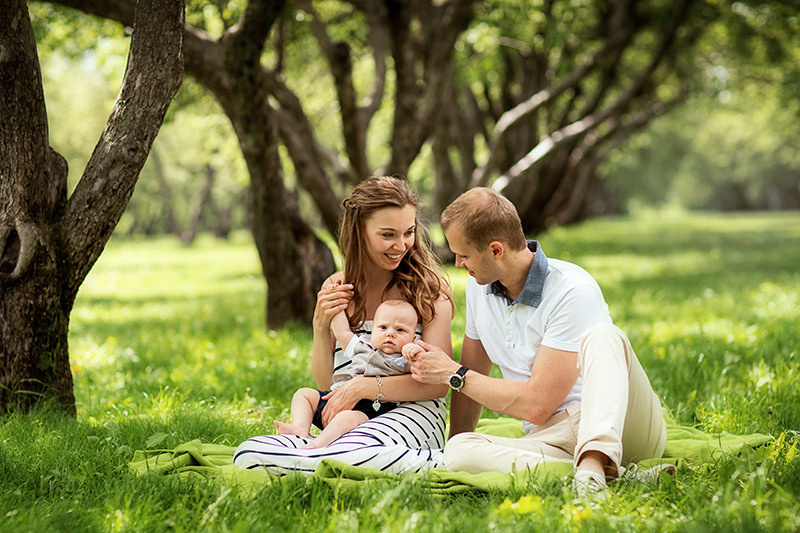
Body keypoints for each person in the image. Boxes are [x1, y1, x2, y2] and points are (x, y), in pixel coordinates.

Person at [404, 187, 670, 495]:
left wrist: (453, 374)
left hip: (620, 425)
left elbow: (538, 405)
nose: (459, 263)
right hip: (550, 438)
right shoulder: (480, 288)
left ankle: (598, 460)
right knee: (460, 451)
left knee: (604, 335)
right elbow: (472, 368)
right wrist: (457, 450)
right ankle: (606, 475)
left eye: (464, 255)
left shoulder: (572, 289)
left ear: (495, 250)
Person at [234, 176, 453, 474]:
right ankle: (321, 455)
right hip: (347, 416)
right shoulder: (337, 287)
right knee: (247, 454)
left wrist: (367, 386)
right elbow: (327, 384)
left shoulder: (429, 290)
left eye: (409, 232)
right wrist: (319, 325)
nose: (401, 245)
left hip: (412, 411)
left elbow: (439, 385)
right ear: (359, 232)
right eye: (388, 234)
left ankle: (332, 458)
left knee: (349, 452)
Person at [275, 298, 418, 449]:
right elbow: (341, 331)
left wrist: (417, 352)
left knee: (346, 418)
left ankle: (317, 445)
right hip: (335, 397)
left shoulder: (404, 360)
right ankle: (300, 427)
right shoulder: (362, 345)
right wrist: (336, 302)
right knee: (303, 394)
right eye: (383, 327)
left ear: (413, 338)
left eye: (400, 330)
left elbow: (422, 373)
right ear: (373, 330)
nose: (390, 334)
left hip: (369, 410)